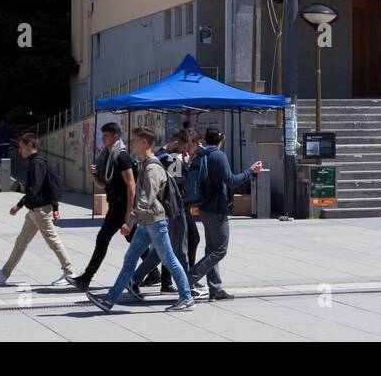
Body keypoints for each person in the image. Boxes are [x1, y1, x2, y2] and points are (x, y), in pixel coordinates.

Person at [86, 127, 195, 313]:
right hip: (147, 222)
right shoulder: (145, 163)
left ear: (144, 142)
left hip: (155, 221)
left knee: (169, 259)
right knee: (130, 259)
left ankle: (186, 297)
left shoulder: (152, 167)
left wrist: (130, 221)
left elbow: (146, 199)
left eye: (135, 140)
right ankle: (109, 300)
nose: (131, 144)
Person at [0, 133, 75, 285]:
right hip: (35, 211)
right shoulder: (38, 162)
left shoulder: (37, 163)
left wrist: (18, 205)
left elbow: (35, 189)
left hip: (40, 211)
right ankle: (4, 273)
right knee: (21, 242)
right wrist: (55, 207)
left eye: (21, 147)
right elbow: (48, 185)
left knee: (53, 241)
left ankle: (70, 273)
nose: (20, 151)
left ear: (29, 145)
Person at [185, 128, 262, 301]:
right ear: (223, 139)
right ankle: (188, 279)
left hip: (203, 207)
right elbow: (232, 181)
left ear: (205, 139)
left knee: (211, 249)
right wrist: (251, 171)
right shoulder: (218, 156)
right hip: (216, 209)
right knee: (220, 250)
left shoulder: (201, 154)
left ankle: (215, 289)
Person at [67, 122, 137, 291]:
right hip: (114, 204)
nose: (103, 139)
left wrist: (129, 214)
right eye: (103, 136)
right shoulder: (107, 157)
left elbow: (131, 184)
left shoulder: (121, 156)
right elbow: (102, 184)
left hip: (120, 208)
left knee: (102, 239)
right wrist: (93, 176)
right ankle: (155, 273)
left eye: (106, 136)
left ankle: (86, 278)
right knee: (135, 241)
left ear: (116, 136)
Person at [132, 129, 196, 295]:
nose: (184, 151)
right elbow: (178, 184)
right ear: (176, 143)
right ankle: (187, 288)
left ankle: (136, 279)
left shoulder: (158, 156)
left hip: (161, 211)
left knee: (162, 251)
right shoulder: (169, 158)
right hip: (173, 210)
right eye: (183, 147)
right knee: (180, 248)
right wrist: (187, 166)